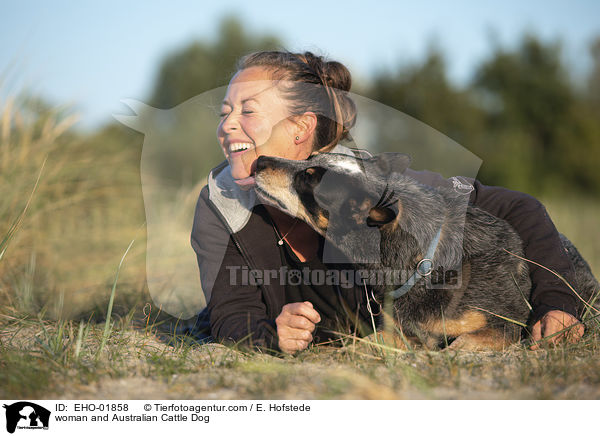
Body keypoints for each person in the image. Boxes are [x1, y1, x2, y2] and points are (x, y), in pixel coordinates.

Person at [191, 50, 584, 354]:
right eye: (225, 111)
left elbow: (520, 208)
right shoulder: (222, 202)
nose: (227, 124)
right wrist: (270, 335)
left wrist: (557, 303)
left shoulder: (364, 184)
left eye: (247, 110)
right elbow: (232, 313)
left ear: (301, 127)